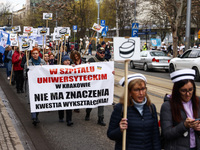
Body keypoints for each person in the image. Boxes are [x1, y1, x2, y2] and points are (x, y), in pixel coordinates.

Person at [107, 74, 161, 150]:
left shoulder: (151, 107)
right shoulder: (121, 108)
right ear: (129, 92)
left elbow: (155, 136)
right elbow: (110, 134)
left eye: (143, 89)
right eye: (136, 90)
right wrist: (120, 130)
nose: (141, 93)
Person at [160, 69, 200, 150]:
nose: (188, 94)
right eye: (183, 91)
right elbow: (167, 134)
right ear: (177, 91)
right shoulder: (167, 106)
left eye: (190, 90)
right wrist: (184, 126)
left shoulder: (198, 102)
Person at [85, 47, 112, 126]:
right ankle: (88, 113)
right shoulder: (92, 60)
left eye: (103, 53)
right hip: (93, 85)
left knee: (101, 101)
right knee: (91, 101)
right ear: (97, 53)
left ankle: (101, 118)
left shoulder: (106, 62)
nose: (102, 54)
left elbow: (109, 73)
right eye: (101, 52)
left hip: (102, 85)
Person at [24, 47, 46, 126]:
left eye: (36, 53)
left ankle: (36, 116)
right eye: (33, 53)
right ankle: (34, 117)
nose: (35, 55)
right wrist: (27, 71)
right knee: (33, 101)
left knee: (38, 100)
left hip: (40, 85)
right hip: (31, 84)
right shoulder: (28, 62)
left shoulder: (42, 62)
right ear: (31, 54)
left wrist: (42, 68)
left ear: (39, 54)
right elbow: (24, 75)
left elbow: (46, 73)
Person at [58, 55, 73, 126]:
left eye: (68, 60)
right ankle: (61, 116)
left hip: (69, 89)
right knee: (61, 103)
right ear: (63, 61)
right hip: (61, 88)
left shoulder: (72, 68)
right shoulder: (59, 68)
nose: (67, 62)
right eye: (66, 60)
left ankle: (69, 120)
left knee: (69, 104)